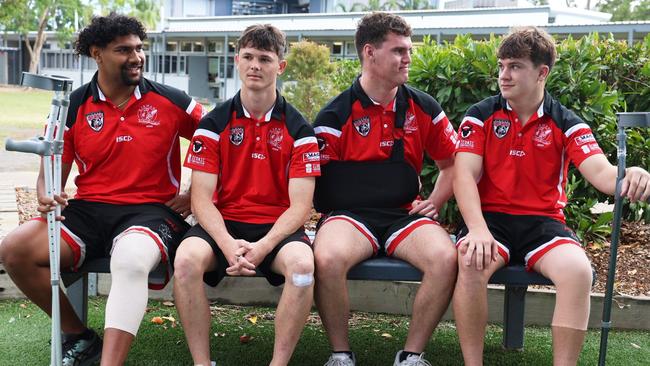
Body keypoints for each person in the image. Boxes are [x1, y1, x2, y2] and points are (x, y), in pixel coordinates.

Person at [0, 14, 204, 366]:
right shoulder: (72, 106)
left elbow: (217, 142)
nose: (136, 57)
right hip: (89, 210)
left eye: (139, 48)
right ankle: (79, 336)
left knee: (130, 259)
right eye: (124, 50)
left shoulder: (171, 101)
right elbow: (50, 171)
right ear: (97, 53)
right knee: (14, 249)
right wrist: (48, 193)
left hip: (151, 211)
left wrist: (194, 193)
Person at [452, 26, 650, 366]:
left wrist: (632, 174)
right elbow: (463, 175)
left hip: (543, 224)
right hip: (489, 221)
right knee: (471, 259)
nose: (504, 75)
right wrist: (477, 229)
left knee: (578, 271)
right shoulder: (481, 115)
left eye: (514, 66)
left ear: (542, 72)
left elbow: (604, 175)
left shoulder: (566, 122)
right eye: (501, 66)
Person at [312, 12, 458, 366]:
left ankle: (410, 355)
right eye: (398, 51)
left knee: (445, 258)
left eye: (409, 50)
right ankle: (341, 355)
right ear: (369, 53)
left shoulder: (424, 107)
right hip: (349, 217)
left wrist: (436, 200)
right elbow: (311, 180)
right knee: (327, 258)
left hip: (403, 214)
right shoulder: (335, 115)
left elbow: (454, 163)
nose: (407, 58)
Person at [172, 24, 320, 366]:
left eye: (265, 59)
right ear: (237, 61)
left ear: (280, 67)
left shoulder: (300, 129)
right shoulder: (213, 123)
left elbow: (301, 207)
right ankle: (201, 362)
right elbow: (201, 200)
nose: (255, 65)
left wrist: (263, 247)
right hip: (221, 227)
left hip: (277, 230)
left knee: (301, 267)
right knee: (185, 261)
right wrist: (226, 244)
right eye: (249, 57)